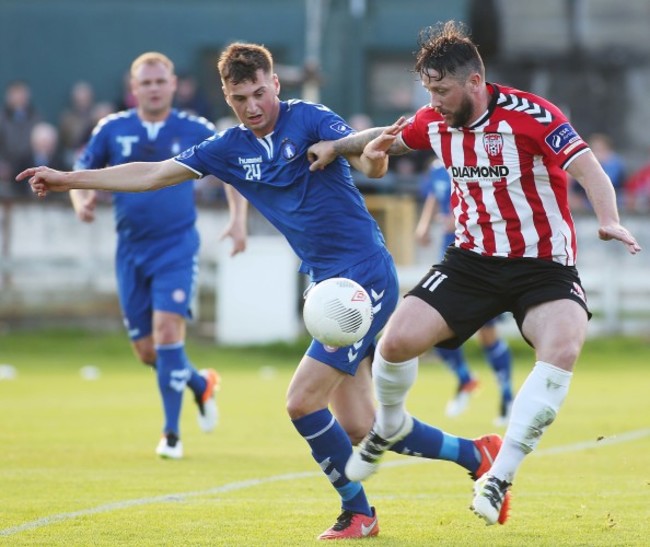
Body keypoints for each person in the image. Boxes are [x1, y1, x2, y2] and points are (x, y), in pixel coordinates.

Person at [20, 42, 511, 539]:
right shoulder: (227, 149)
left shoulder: (310, 118)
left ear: (275, 83)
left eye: (260, 92)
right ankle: (475, 453)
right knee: (360, 426)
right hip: (328, 283)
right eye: (239, 98)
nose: (252, 106)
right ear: (227, 98)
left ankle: (359, 514)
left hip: (362, 278)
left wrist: (372, 156)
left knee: (302, 401)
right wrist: (67, 179)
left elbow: (369, 161)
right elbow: (151, 173)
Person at [307, 21, 641, 526]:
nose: (435, 101)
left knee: (563, 348)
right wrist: (339, 148)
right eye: (429, 91)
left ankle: (499, 475)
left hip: (543, 265)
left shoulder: (532, 116)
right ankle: (390, 423)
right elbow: (389, 138)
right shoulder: (435, 121)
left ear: (475, 82)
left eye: (442, 90)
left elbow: (589, 168)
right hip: (471, 262)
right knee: (394, 342)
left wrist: (609, 219)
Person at [69, 52, 223, 460]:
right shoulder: (112, 128)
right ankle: (198, 384)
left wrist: (239, 221)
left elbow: (233, 170)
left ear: (173, 85)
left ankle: (171, 435)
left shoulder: (196, 128)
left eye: (160, 81)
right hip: (131, 251)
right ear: (133, 89)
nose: (154, 88)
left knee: (169, 333)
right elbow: (82, 171)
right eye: (146, 83)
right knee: (148, 352)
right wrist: (82, 202)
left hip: (176, 247)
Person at [415, 155, 513, 424]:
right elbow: (435, 197)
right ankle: (465, 379)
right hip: (450, 260)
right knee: (435, 330)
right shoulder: (437, 168)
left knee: (487, 334)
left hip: (479, 258)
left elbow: (495, 205)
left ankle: (506, 395)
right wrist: (424, 226)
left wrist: (459, 222)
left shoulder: (473, 161)